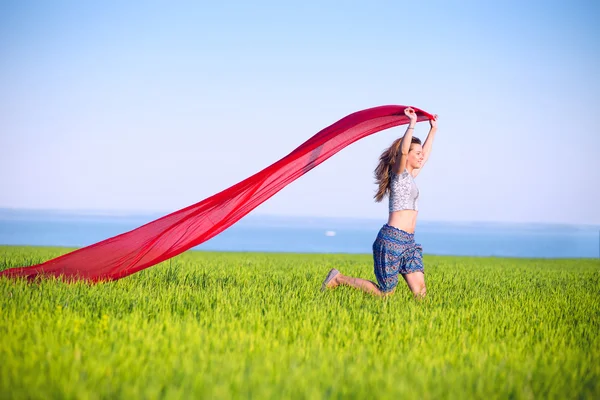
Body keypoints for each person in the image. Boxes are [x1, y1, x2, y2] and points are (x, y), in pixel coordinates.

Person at [321, 107, 438, 298]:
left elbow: (425, 157)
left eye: (420, 153)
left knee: (421, 292)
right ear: (406, 155)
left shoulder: (411, 177)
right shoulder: (398, 175)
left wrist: (433, 130)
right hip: (391, 240)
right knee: (385, 294)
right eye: (416, 153)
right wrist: (412, 124)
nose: (420, 156)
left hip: (409, 243)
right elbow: (401, 152)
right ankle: (338, 278)